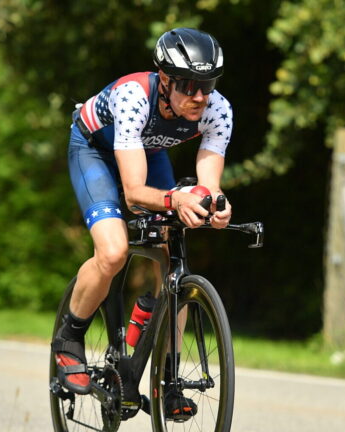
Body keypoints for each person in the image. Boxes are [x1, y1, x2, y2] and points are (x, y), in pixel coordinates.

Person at [52, 28, 233, 419]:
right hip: (94, 151)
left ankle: (167, 375)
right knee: (114, 251)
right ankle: (71, 335)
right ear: (165, 80)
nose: (200, 96)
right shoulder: (134, 95)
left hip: (146, 151)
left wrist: (216, 205)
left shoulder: (218, 109)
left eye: (207, 84)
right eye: (189, 85)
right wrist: (176, 198)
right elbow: (134, 193)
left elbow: (208, 185)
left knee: (174, 252)